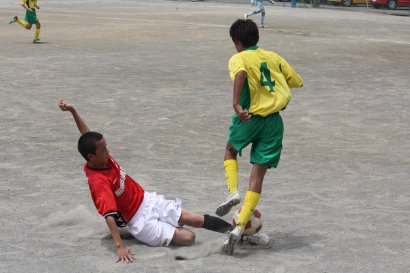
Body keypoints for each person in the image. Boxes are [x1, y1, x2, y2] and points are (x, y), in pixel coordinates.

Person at [58, 100, 267, 262]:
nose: (108, 151)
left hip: (148, 200)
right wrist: (119, 246)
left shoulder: (102, 158)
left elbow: (87, 135)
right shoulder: (98, 182)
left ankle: (238, 233)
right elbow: (109, 216)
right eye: (103, 150)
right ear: (91, 157)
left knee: (194, 218)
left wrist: (73, 111)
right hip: (140, 222)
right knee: (189, 238)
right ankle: (134, 234)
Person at [217, 19, 304, 255]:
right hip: (273, 123)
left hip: (249, 117)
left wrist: (236, 103)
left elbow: (241, 74)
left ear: (237, 41)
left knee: (230, 151)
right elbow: (296, 81)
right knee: (257, 178)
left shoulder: (239, 58)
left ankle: (233, 192)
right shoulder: (273, 56)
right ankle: (238, 230)